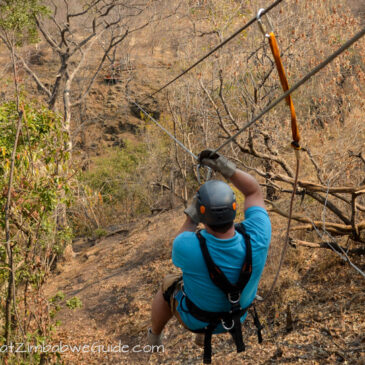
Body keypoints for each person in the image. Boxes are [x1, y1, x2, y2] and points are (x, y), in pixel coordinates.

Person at [148, 150, 271, 361]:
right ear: (234, 208)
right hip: (237, 317)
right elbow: (253, 192)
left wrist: (191, 215)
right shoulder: (259, 233)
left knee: (168, 284)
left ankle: (154, 336)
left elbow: (186, 231)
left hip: (196, 318)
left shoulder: (187, 247)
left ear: (202, 214)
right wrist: (227, 168)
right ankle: (201, 333)